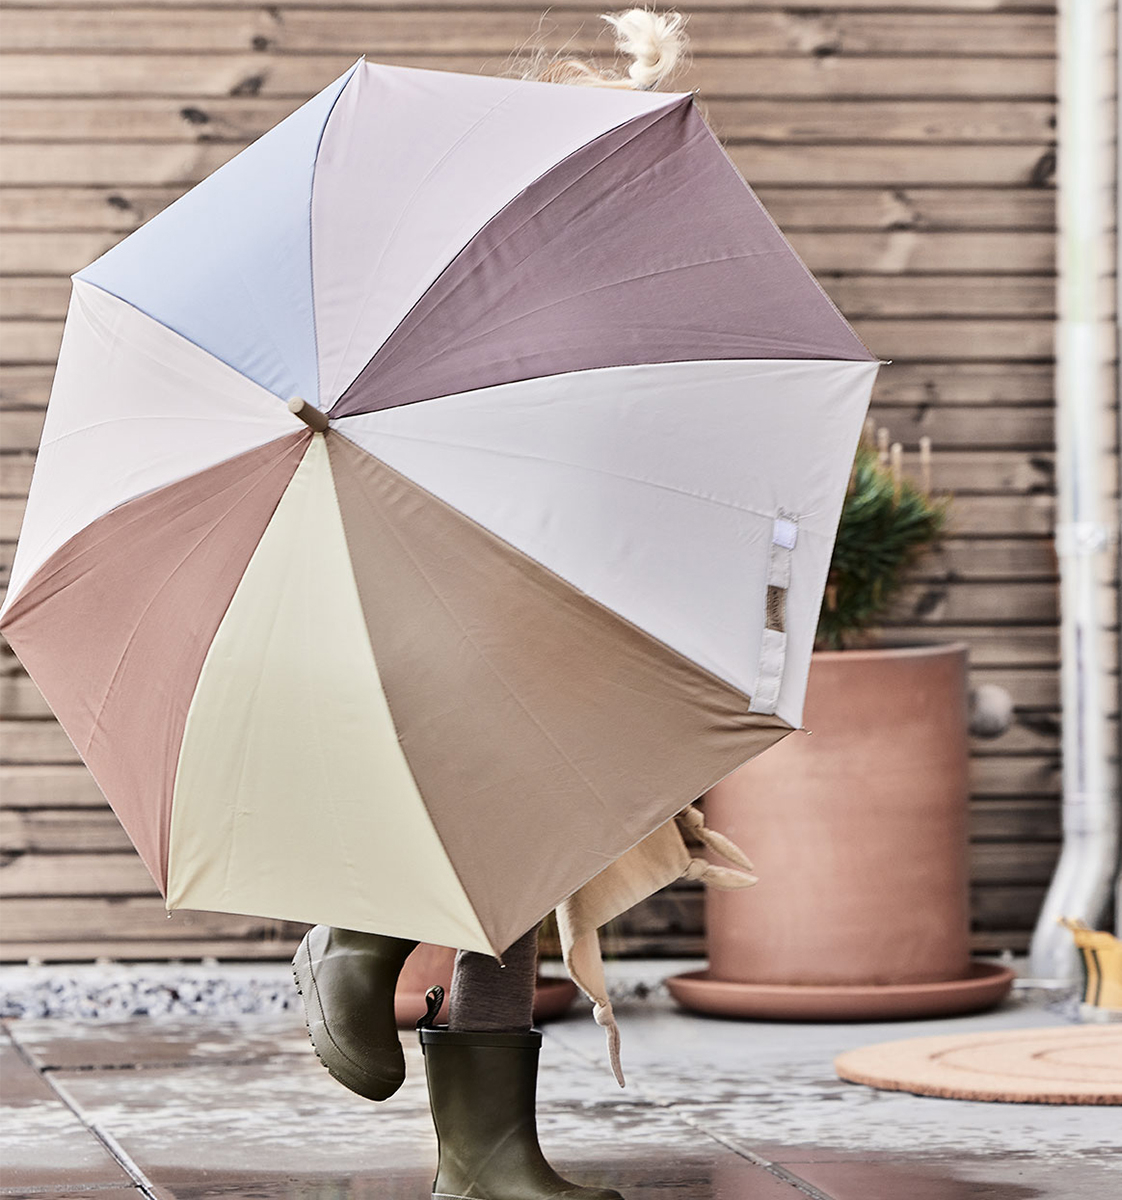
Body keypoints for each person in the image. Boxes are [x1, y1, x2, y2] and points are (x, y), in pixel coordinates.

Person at [294, 12, 703, 1200]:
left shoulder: (603, 279)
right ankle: (363, 934)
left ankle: (486, 1156)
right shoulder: (488, 273)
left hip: (560, 572)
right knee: (518, 799)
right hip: (473, 567)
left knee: (538, 841)